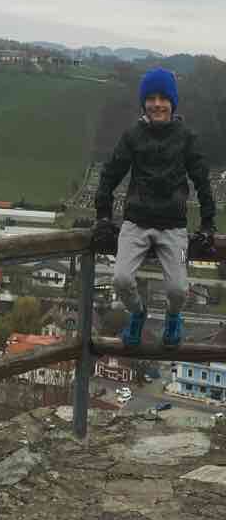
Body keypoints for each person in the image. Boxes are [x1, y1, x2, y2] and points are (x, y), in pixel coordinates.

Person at [92, 67, 215, 348]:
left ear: (172, 102)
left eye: (163, 98)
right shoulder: (132, 135)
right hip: (135, 223)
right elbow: (110, 175)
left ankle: (174, 317)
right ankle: (137, 313)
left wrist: (208, 225)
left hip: (176, 229)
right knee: (121, 279)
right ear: (143, 102)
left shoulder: (186, 137)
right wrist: (103, 216)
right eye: (151, 98)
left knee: (179, 288)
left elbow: (202, 181)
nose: (157, 104)